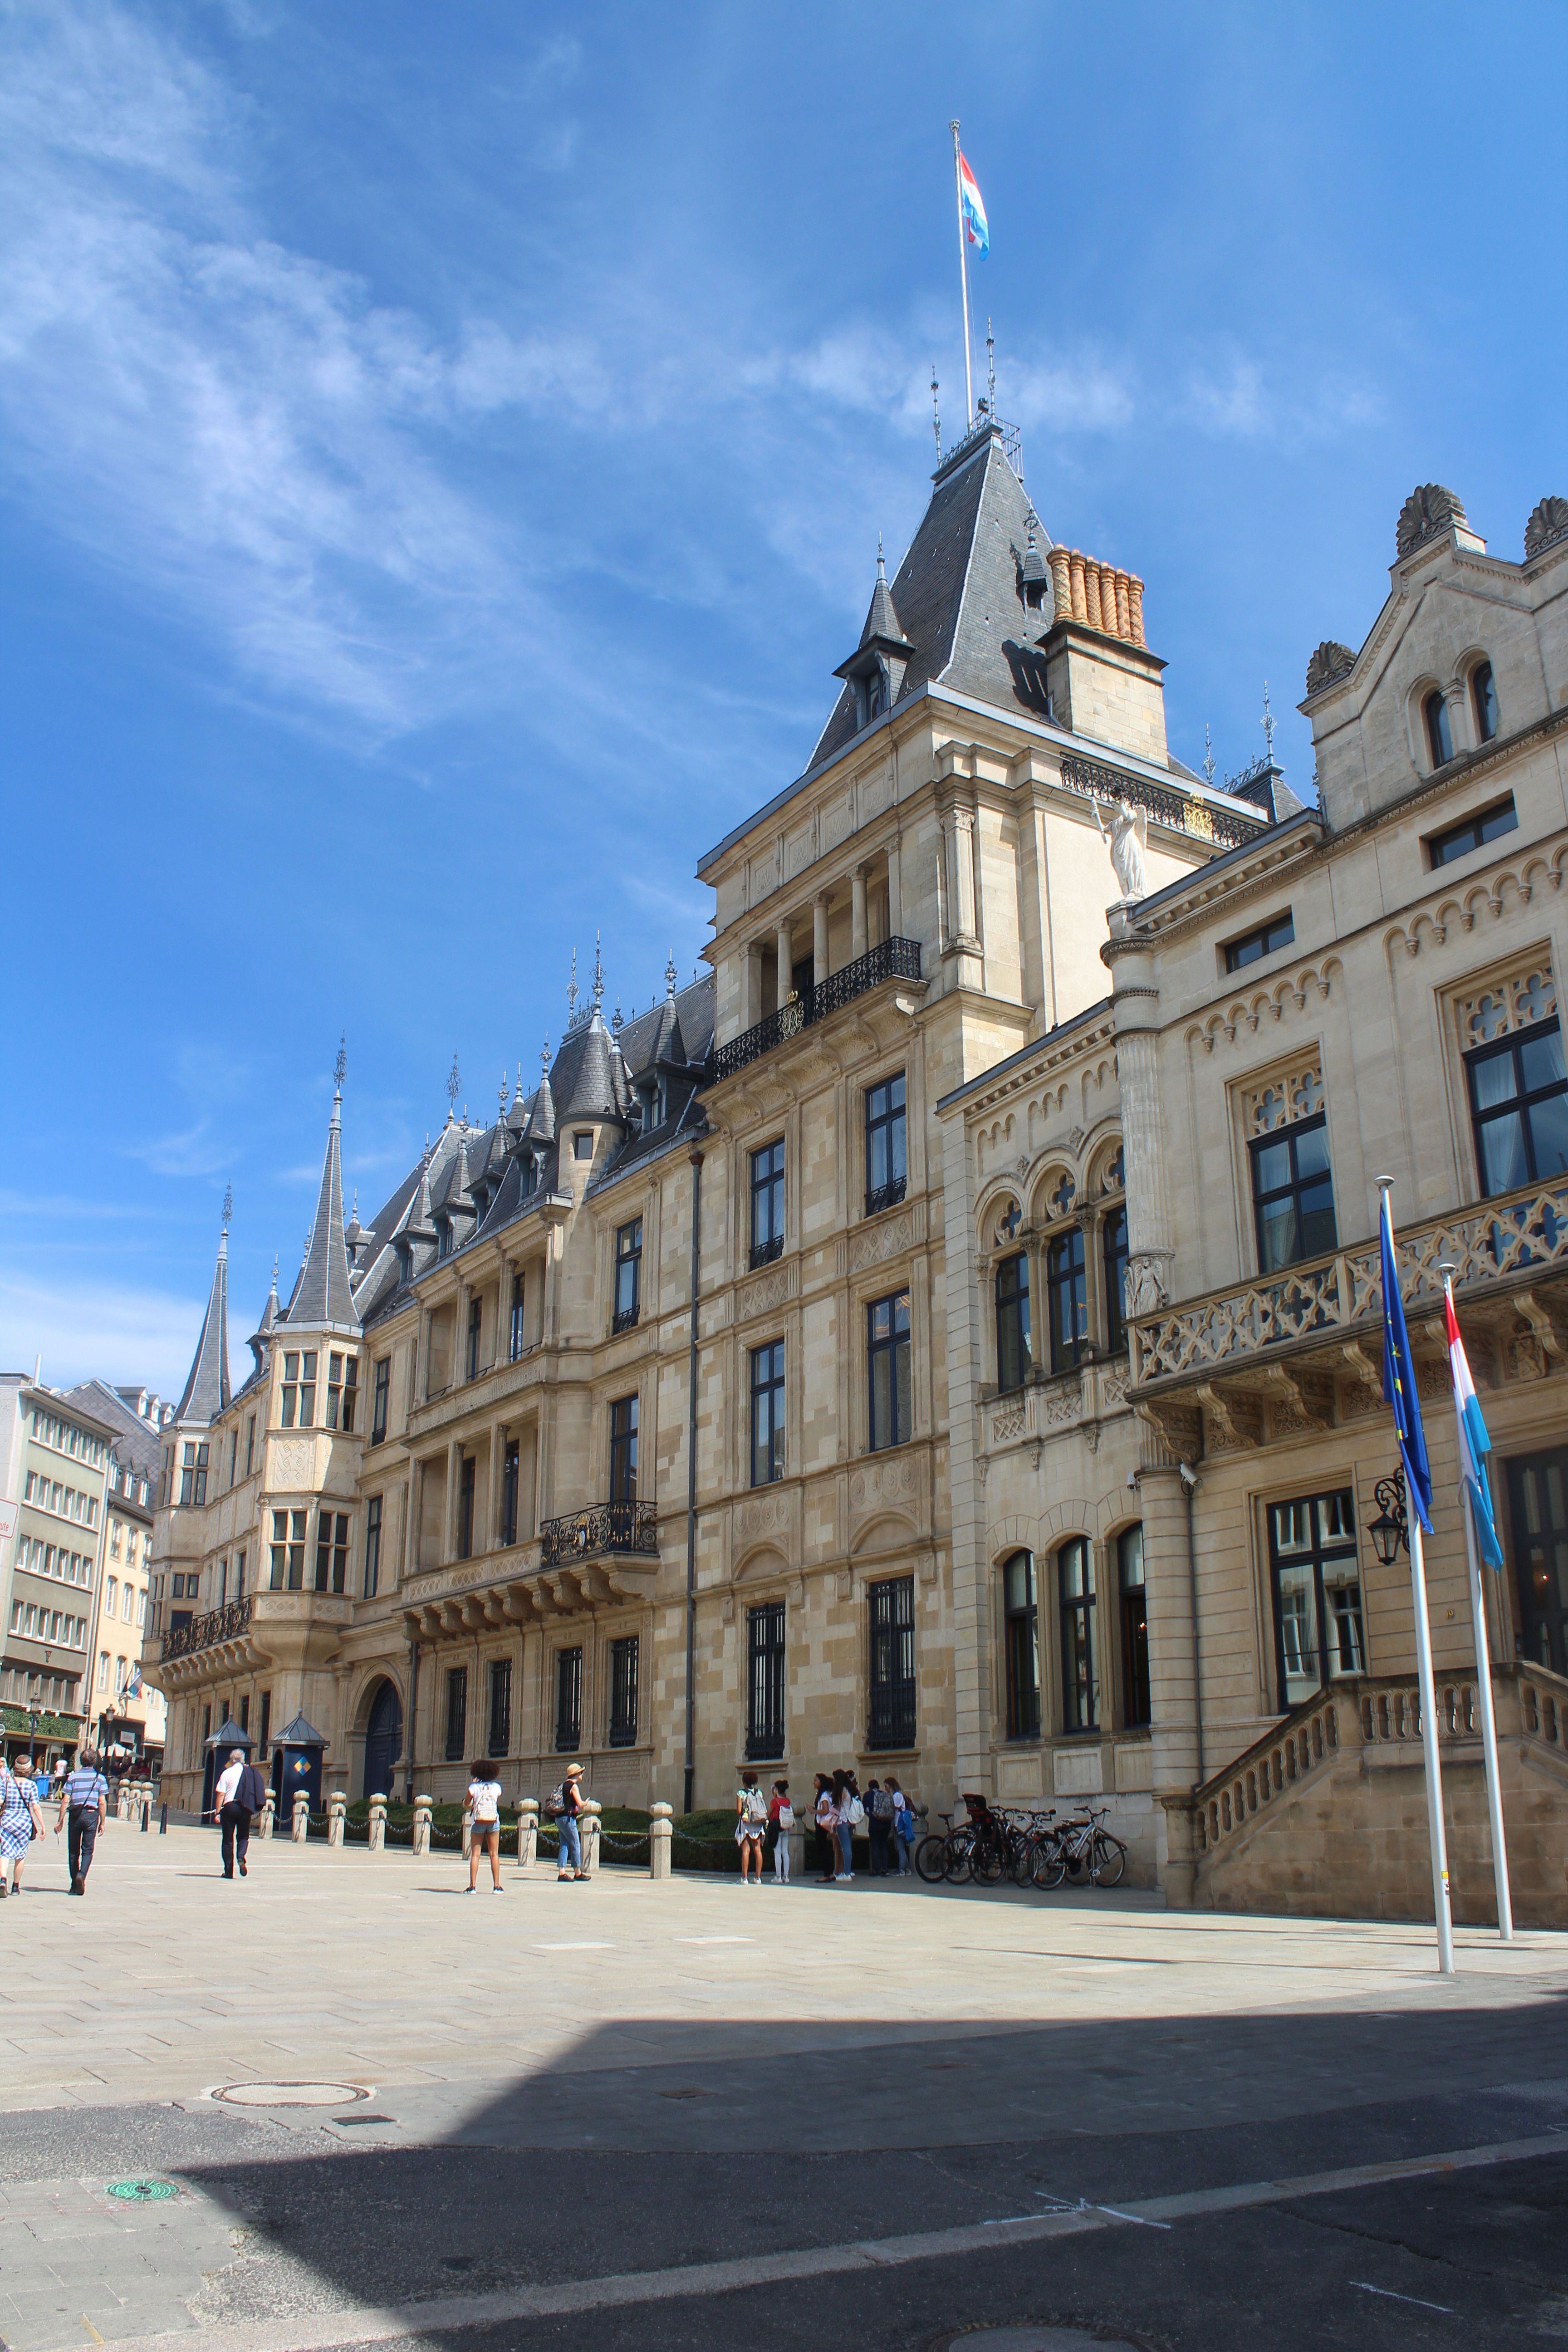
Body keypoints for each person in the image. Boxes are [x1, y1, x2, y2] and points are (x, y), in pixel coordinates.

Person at [59, 1749, 108, 1897]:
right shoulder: (100, 1779)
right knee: (88, 1850)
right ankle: (82, 1875)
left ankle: (75, 1883)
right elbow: (102, 1802)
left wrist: (60, 1821)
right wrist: (103, 1822)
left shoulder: (73, 1777)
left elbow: (65, 1800)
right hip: (91, 1816)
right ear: (95, 1762)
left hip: (75, 1815)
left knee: (73, 1851)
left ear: (81, 1761)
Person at [218, 1749, 267, 1880]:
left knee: (228, 1840)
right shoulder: (251, 1772)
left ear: (232, 1760)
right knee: (244, 1836)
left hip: (230, 1807)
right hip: (246, 1807)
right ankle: (241, 1856)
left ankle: (228, 1871)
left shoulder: (227, 1773)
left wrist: (218, 1812)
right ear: (243, 1759)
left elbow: (221, 1794)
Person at [0, 1754, 45, 1897]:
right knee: (20, 1855)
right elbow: (36, 1807)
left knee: (5, 1853)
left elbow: (1, 1802)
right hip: (24, 1823)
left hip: (7, 1820)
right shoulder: (32, 1785)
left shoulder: (6, 1782)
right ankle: (15, 1887)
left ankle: (2, 1880)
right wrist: (43, 1826)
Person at [467, 1761, 504, 1893]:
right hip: (493, 1822)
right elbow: (496, 1803)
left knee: (476, 1855)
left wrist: (473, 1786)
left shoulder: (474, 1787)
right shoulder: (497, 1787)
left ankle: (473, 1886)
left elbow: (466, 1803)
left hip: (478, 1822)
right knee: (494, 1854)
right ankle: (497, 1886)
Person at [555, 1762, 588, 1881]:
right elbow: (580, 1803)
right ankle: (578, 1872)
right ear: (576, 1774)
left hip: (559, 1818)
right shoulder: (574, 1786)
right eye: (581, 1773)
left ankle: (562, 1873)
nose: (582, 1775)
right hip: (569, 1819)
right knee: (576, 1844)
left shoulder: (563, 1785)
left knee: (564, 1845)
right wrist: (586, 1803)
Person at [735, 1770, 768, 1883]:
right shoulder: (759, 1793)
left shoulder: (741, 1793)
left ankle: (744, 1878)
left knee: (746, 1850)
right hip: (758, 1823)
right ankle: (758, 1878)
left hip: (747, 1823)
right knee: (758, 1849)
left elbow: (739, 1811)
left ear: (744, 1782)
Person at [831, 1769, 861, 1882]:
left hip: (842, 1821)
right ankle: (847, 1871)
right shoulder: (849, 1790)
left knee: (845, 1848)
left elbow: (837, 1807)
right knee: (847, 1847)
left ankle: (847, 1873)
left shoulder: (842, 1790)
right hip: (849, 1821)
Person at [887, 1775, 916, 1875]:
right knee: (901, 1847)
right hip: (899, 1822)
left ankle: (901, 1869)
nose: (886, 1789)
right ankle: (907, 1869)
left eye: (886, 1786)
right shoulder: (898, 1795)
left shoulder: (897, 1795)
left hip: (898, 1823)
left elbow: (896, 1807)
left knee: (900, 1847)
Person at [866, 1777, 896, 1876]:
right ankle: (885, 1869)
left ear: (869, 1788)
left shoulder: (868, 1795)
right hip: (886, 1824)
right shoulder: (885, 1794)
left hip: (875, 1824)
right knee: (883, 1846)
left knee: (875, 1846)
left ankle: (877, 1870)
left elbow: (864, 1808)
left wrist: (872, 1815)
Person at [812, 1772, 838, 1885]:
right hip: (820, 1824)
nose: (814, 1783)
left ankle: (828, 1874)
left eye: (816, 1781)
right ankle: (829, 1873)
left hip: (821, 1825)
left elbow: (826, 1810)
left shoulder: (824, 1795)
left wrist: (814, 1811)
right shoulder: (823, 1794)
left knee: (823, 1849)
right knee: (824, 1849)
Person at [768, 1780, 794, 1885]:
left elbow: (769, 1814)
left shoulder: (775, 1802)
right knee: (785, 1852)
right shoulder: (787, 1801)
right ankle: (786, 1876)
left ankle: (778, 1876)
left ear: (777, 1790)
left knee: (777, 1852)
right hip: (786, 1827)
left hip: (776, 1827)